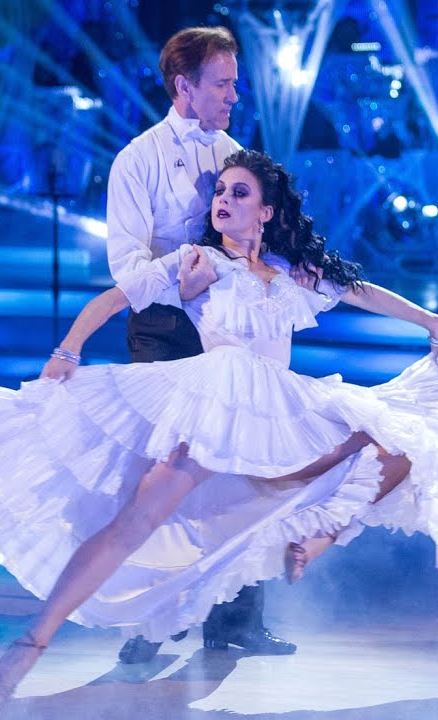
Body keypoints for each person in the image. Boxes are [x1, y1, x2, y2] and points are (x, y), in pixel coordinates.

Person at [0, 150, 438, 708]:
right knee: (134, 523)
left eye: (239, 193)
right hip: (213, 401)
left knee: (401, 441)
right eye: (219, 193)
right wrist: (68, 349)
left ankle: (316, 537)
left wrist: (432, 323)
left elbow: (363, 291)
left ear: (266, 211)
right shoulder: (199, 262)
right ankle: (31, 641)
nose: (223, 201)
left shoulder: (292, 274)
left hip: (280, 409)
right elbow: (116, 297)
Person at [104, 25, 295, 663]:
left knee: (242, 471)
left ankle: (236, 619)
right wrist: (187, 274)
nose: (234, 96)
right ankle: (152, 621)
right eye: (223, 84)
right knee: (168, 477)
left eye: (235, 84)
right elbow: (127, 269)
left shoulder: (234, 152)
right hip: (164, 330)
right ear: (184, 86)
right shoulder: (137, 160)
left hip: (230, 330)